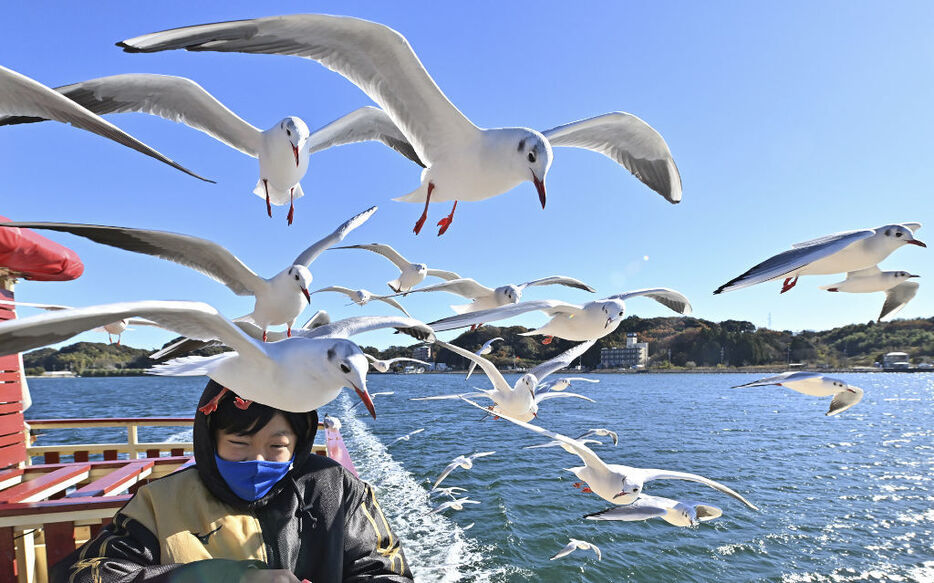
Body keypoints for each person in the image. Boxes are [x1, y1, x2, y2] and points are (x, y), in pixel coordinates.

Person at [52, 380, 413, 582]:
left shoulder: (334, 489)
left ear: (299, 443)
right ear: (211, 442)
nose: (257, 460)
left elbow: (386, 572)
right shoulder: (159, 502)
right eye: (239, 444)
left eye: (277, 446)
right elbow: (89, 574)